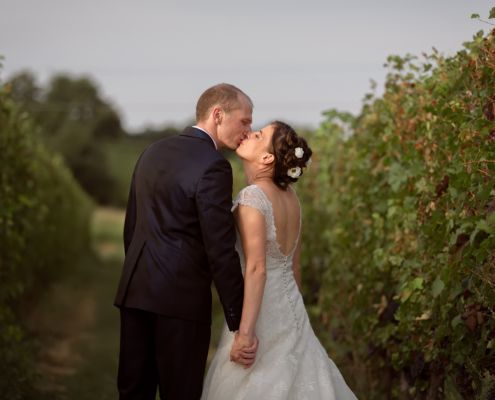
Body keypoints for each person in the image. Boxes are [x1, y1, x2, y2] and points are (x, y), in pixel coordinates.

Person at [114, 83, 258, 400]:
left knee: (132, 391)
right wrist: (238, 320)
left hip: (135, 292)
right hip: (180, 301)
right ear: (218, 114)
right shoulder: (214, 165)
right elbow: (219, 248)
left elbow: (132, 227)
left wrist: (141, 277)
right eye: (245, 121)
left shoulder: (151, 151)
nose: (249, 129)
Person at [201, 121, 358, 399]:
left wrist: (246, 332)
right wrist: (292, 316)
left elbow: (257, 268)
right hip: (289, 308)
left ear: (267, 157)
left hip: (258, 307)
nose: (249, 133)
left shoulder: (253, 197)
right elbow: (293, 266)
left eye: (258, 135)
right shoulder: (291, 198)